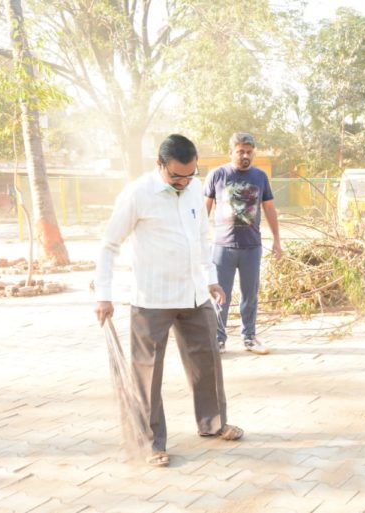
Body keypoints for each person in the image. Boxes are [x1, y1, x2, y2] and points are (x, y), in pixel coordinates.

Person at [94, 134, 243, 468]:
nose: (183, 182)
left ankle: (213, 423)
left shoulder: (194, 188)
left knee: (207, 361)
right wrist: (103, 294)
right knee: (148, 373)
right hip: (152, 299)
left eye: (189, 175)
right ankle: (151, 443)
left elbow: (201, 239)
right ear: (159, 165)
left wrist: (211, 279)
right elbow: (109, 245)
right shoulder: (137, 194)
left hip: (193, 294)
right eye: (176, 175)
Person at [203, 132, 282, 355]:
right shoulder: (217, 175)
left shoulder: (260, 177)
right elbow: (204, 211)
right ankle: (218, 339)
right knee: (220, 296)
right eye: (240, 151)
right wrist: (198, 242)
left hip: (251, 247)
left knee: (250, 295)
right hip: (222, 248)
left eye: (249, 152)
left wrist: (277, 241)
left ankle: (249, 337)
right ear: (231, 152)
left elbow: (269, 209)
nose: (245, 155)